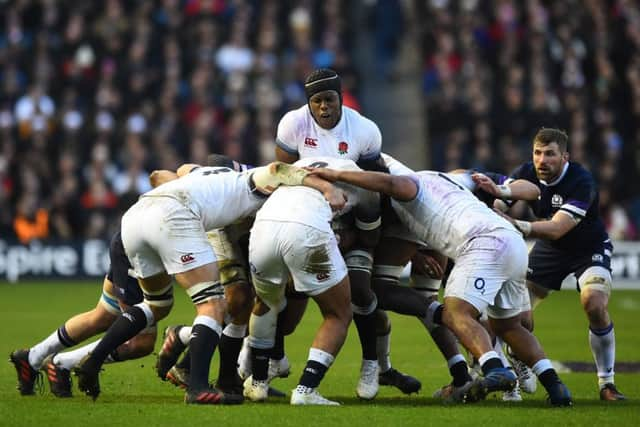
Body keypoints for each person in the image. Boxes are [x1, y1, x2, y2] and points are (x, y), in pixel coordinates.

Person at [72, 161, 344, 405]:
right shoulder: (250, 180)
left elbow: (162, 174)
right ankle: (198, 387)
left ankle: (94, 361)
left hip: (136, 215)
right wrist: (325, 188)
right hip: (174, 215)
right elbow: (277, 169)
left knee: (156, 304)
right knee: (212, 305)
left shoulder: (206, 174)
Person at [308, 161, 573, 406]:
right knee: (509, 325)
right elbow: (527, 190)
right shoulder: (452, 177)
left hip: (481, 244)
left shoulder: (406, 183)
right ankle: (555, 386)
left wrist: (334, 174)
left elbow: (388, 184)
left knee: (456, 313)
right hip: (512, 242)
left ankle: (495, 369)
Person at [272, 68, 419, 398]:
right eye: (317, 101)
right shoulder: (292, 124)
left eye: (329, 99)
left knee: (361, 291)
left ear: (341, 98)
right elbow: (282, 174)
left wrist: (360, 236)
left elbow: (374, 186)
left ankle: (371, 365)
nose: (324, 107)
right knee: (286, 290)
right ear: (308, 103)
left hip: (356, 219)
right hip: (311, 220)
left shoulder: (364, 130)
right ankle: (269, 358)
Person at [503, 127, 626, 401]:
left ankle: (607, 383)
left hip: (588, 248)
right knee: (517, 315)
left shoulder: (581, 181)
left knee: (594, 304)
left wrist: (516, 225)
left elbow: (558, 228)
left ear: (565, 157)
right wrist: (494, 208)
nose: (542, 160)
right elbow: (501, 200)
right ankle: (519, 364)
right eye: (537, 153)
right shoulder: (525, 172)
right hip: (549, 250)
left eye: (550, 154)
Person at [243, 157, 376, 405]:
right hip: (306, 229)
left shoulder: (301, 164)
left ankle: (258, 383)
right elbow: (370, 234)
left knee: (265, 303)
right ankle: (306, 390)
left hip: (263, 227)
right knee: (338, 313)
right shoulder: (356, 174)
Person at [9, 231, 157, 398]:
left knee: (103, 316)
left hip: (129, 239)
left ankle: (32, 357)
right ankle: (61, 363)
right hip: (143, 255)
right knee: (140, 342)